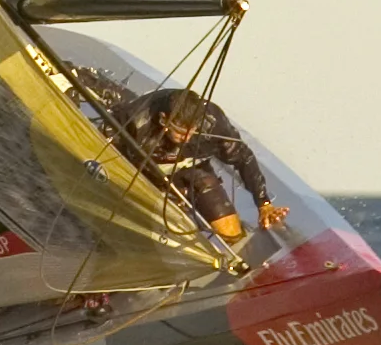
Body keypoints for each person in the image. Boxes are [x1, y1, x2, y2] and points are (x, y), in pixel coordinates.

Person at [112, 85, 293, 241]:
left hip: (193, 170)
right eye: (180, 132)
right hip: (144, 172)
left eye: (192, 131)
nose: (186, 138)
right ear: (163, 119)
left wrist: (263, 203)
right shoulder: (136, 119)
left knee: (230, 233)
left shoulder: (212, 123)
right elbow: (106, 146)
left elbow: (243, 158)